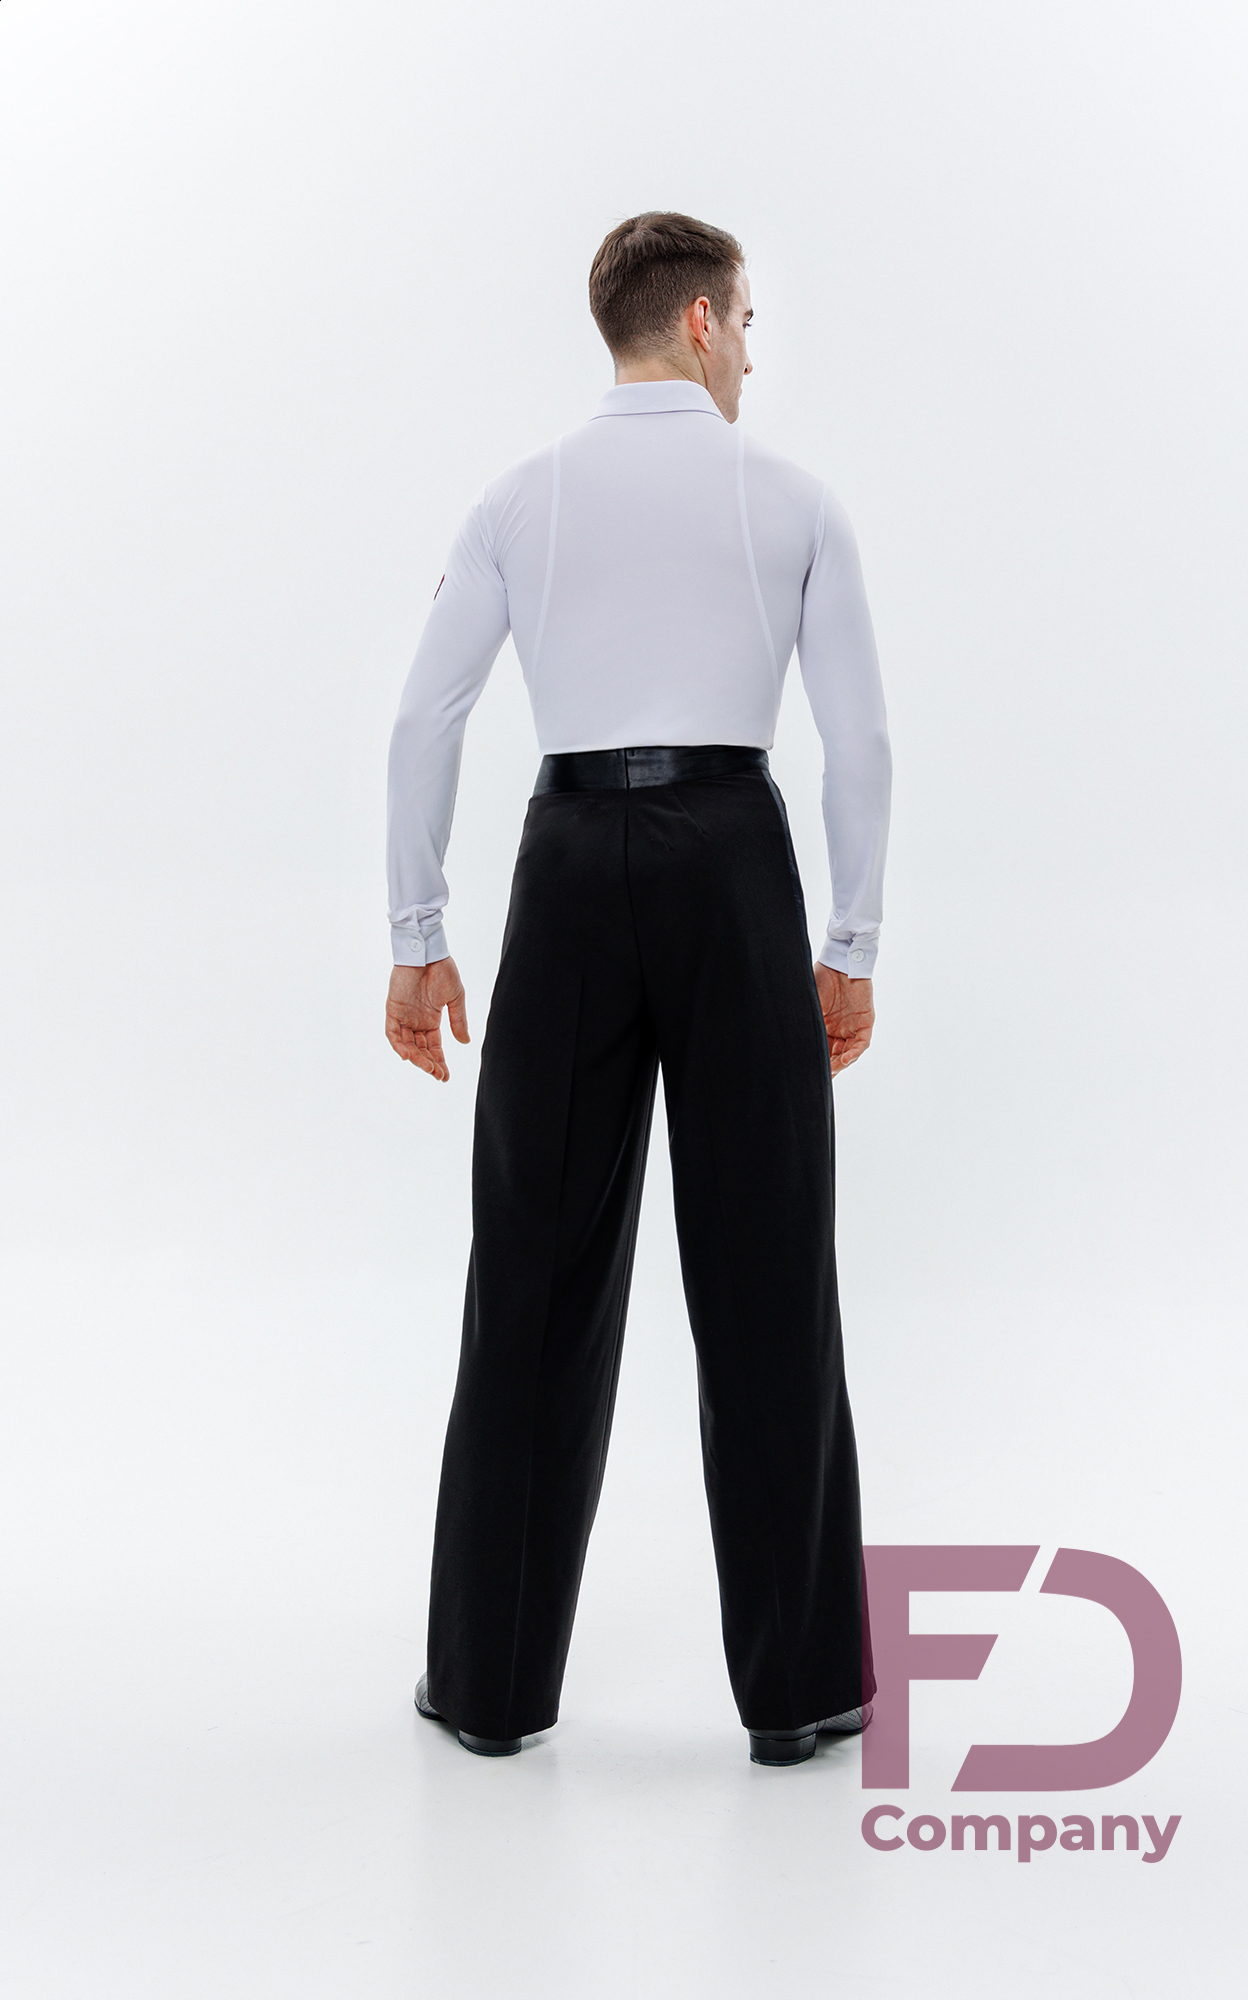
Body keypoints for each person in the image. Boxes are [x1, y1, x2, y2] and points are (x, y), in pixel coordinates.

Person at [384, 212, 890, 1764]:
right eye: (747, 325)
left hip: (567, 863)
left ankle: (486, 1688)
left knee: (531, 1274)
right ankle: (800, 1692)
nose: (750, 356)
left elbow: (424, 719)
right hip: (731, 858)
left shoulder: (518, 498)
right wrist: (849, 946)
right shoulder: (790, 498)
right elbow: (859, 743)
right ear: (700, 322)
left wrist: (417, 931)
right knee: (768, 1276)